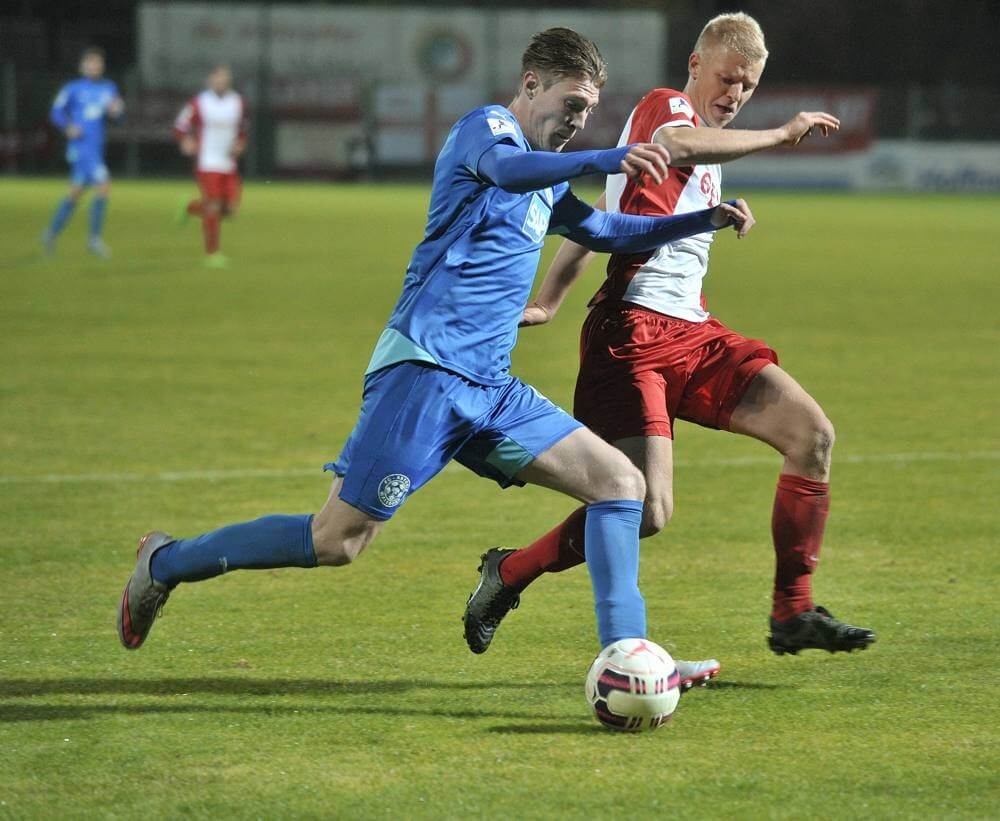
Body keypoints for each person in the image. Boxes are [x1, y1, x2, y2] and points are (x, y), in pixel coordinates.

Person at [117, 29, 751, 671]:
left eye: (588, 112)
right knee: (336, 540)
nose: (577, 121)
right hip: (424, 374)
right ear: (531, 85)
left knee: (620, 483)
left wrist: (703, 219)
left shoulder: (547, 181)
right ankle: (165, 562)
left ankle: (629, 653)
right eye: (571, 104)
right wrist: (605, 158)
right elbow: (508, 171)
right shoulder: (485, 132)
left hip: (491, 387)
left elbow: (606, 229)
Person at [464, 12, 876, 661]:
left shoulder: (706, 146)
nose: (736, 94)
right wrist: (783, 133)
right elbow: (674, 153)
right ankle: (510, 572)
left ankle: (792, 610)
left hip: (695, 334)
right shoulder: (668, 108)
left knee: (811, 434)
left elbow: (607, 215)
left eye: (749, 85)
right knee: (647, 511)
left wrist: (548, 300)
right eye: (729, 77)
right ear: (695, 63)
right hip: (629, 335)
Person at [42, 46, 124, 259]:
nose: (93, 67)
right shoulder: (73, 89)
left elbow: (117, 116)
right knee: (104, 186)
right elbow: (56, 112)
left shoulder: (109, 88)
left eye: (97, 63)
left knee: (75, 193)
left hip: (96, 147)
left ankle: (51, 233)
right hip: (81, 147)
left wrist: (117, 112)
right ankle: (94, 240)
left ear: (102, 66)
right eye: (90, 63)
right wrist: (68, 127)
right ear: (82, 67)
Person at [173, 65, 247, 269]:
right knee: (213, 206)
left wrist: (240, 144)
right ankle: (212, 253)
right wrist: (185, 140)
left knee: (231, 210)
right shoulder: (200, 102)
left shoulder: (237, 102)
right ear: (210, 81)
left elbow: (242, 129)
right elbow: (180, 125)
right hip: (207, 162)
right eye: (217, 79)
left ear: (228, 80)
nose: (220, 82)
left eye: (224, 79)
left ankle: (189, 207)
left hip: (228, 165)